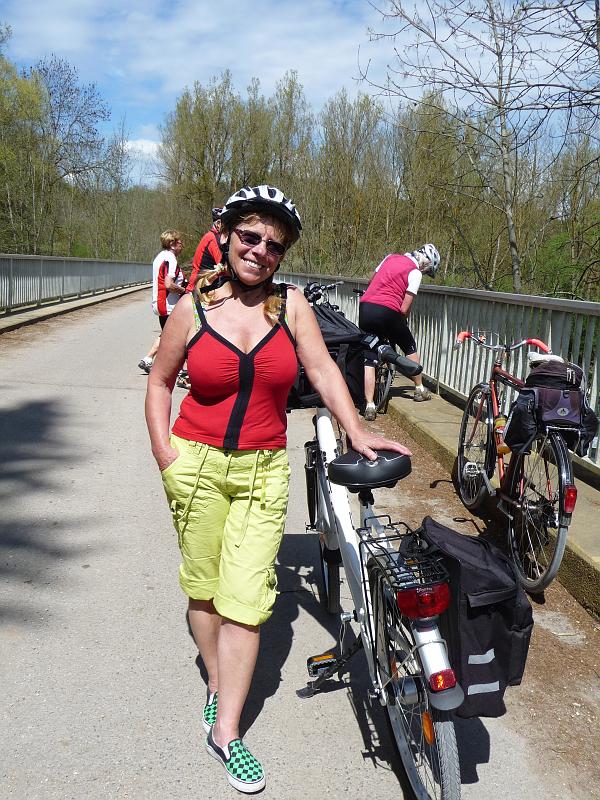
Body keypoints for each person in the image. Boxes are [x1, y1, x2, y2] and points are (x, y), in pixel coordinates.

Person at [144, 185, 411, 793]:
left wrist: (358, 428)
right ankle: (216, 682)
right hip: (196, 465)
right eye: (250, 237)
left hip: (264, 470)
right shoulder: (194, 307)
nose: (260, 251)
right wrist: (166, 454)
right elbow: (160, 383)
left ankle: (227, 732)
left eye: (273, 244)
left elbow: (320, 370)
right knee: (204, 592)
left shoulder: (291, 307)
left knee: (248, 601)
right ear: (228, 237)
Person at [359, 243, 441, 420]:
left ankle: (370, 405)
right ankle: (419, 389)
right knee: (408, 344)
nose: (425, 273)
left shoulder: (389, 257)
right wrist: (401, 324)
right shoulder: (415, 272)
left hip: (366, 307)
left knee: (369, 357)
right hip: (388, 311)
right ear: (425, 263)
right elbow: (404, 308)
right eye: (428, 270)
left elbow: (371, 281)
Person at [186, 207, 224, 293]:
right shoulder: (212, 238)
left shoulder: (213, 236)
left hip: (202, 284)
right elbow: (222, 266)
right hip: (198, 288)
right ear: (218, 224)